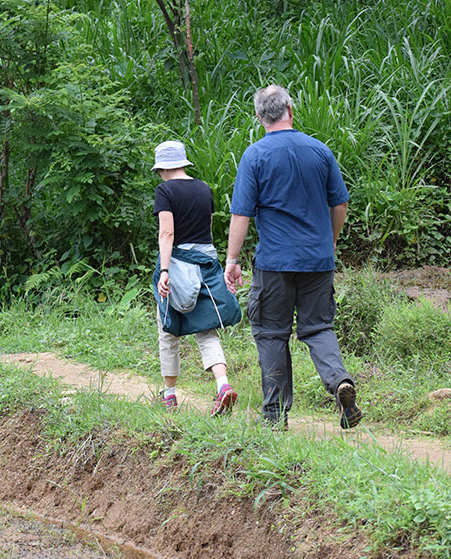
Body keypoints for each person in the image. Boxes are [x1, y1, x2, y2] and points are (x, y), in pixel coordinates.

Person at [224, 84, 362, 431]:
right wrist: (328, 241)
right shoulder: (320, 151)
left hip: (274, 263)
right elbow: (340, 203)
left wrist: (232, 259)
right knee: (318, 328)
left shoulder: (255, 155)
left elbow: (241, 214)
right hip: (318, 261)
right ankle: (340, 381)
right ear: (290, 109)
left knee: (271, 333)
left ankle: (274, 415)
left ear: (259, 117)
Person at [151, 140, 240, 415]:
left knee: (168, 327)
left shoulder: (164, 191)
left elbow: (167, 233)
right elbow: (208, 231)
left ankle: (169, 396)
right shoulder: (204, 188)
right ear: (183, 163)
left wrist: (164, 271)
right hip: (206, 265)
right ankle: (223, 385)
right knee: (205, 327)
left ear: (162, 168)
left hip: (177, 265)